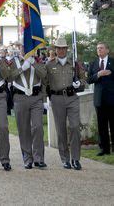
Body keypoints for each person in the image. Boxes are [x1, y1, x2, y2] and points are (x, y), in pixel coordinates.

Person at [46, 37, 85, 170]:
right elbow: (45, 83)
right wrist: (45, 100)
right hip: (57, 99)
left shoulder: (74, 64)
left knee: (74, 127)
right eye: (59, 48)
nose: (61, 50)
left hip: (72, 98)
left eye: (63, 48)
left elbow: (83, 79)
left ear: (67, 49)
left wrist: (79, 83)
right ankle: (65, 158)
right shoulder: (49, 65)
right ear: (55, 50)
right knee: (61, 130)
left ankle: (75, 158)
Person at [12, 55, 47, 169]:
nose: (25, 49)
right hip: (20, 97)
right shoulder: (13, 61)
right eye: (22, 47)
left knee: (37, 127)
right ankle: (27, 158)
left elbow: (44, 76)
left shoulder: (38, 60)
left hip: (36, 98)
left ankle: (39, 158)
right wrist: (23, 67)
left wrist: (34, 64)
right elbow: (9, 77)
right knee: (24, 129)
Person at [87, 42, 114, 156]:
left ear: (107, 50)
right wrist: (98, 74)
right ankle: (104, 149)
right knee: (101, 125)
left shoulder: (112, 62)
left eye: (101, 48)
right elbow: (89, 79)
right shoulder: (93, 63)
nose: (99, 50)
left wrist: (110, 73)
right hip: (99, 100)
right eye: (98, 48)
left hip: (112, 99)